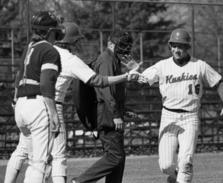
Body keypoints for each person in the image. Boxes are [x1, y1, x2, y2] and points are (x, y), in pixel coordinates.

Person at [4, 22, 140, 183]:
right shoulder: (67, 58)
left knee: (22, 151)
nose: (78, 44)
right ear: (70, 40)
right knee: (52, 159)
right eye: (76, 41)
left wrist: (15, 99)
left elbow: (20, 74)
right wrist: (126, 76)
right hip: (48, 105)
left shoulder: (35, 48)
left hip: (23, 103)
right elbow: (97, 81)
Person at [140, 28, 223, 183]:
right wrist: (134, 73)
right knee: (166, 165)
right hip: (168, 116)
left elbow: (219, 83)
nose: (177, 49)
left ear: (187, 47)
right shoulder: (162, 66)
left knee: (186, 161)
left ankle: (183, 176)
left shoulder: (199, 65)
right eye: (174, 45)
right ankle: (175, 176)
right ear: (170, 46)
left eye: (181, 46)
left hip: (190, 117)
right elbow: (142, 80)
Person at [4, 11, 64, 183]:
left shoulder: (30, 47)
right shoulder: (49, 50)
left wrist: (16, 101)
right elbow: (46, 83)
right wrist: (53, 113)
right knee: (40, 162)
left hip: (21, 105)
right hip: (37, 105)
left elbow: (18, 77)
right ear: (51, 30)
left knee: (29, 157)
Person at [71, 31, 135, 183]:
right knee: (115, 156)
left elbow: (115, 91)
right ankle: (79, 181)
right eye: (122, 45)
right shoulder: (106, 60)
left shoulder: (114, 60)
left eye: (127, 45)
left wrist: (123, 111)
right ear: (111, 44)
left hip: (110, 112)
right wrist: (116, 115)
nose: (125, 49)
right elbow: (106, 91)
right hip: (106, 114)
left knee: (118, 157)